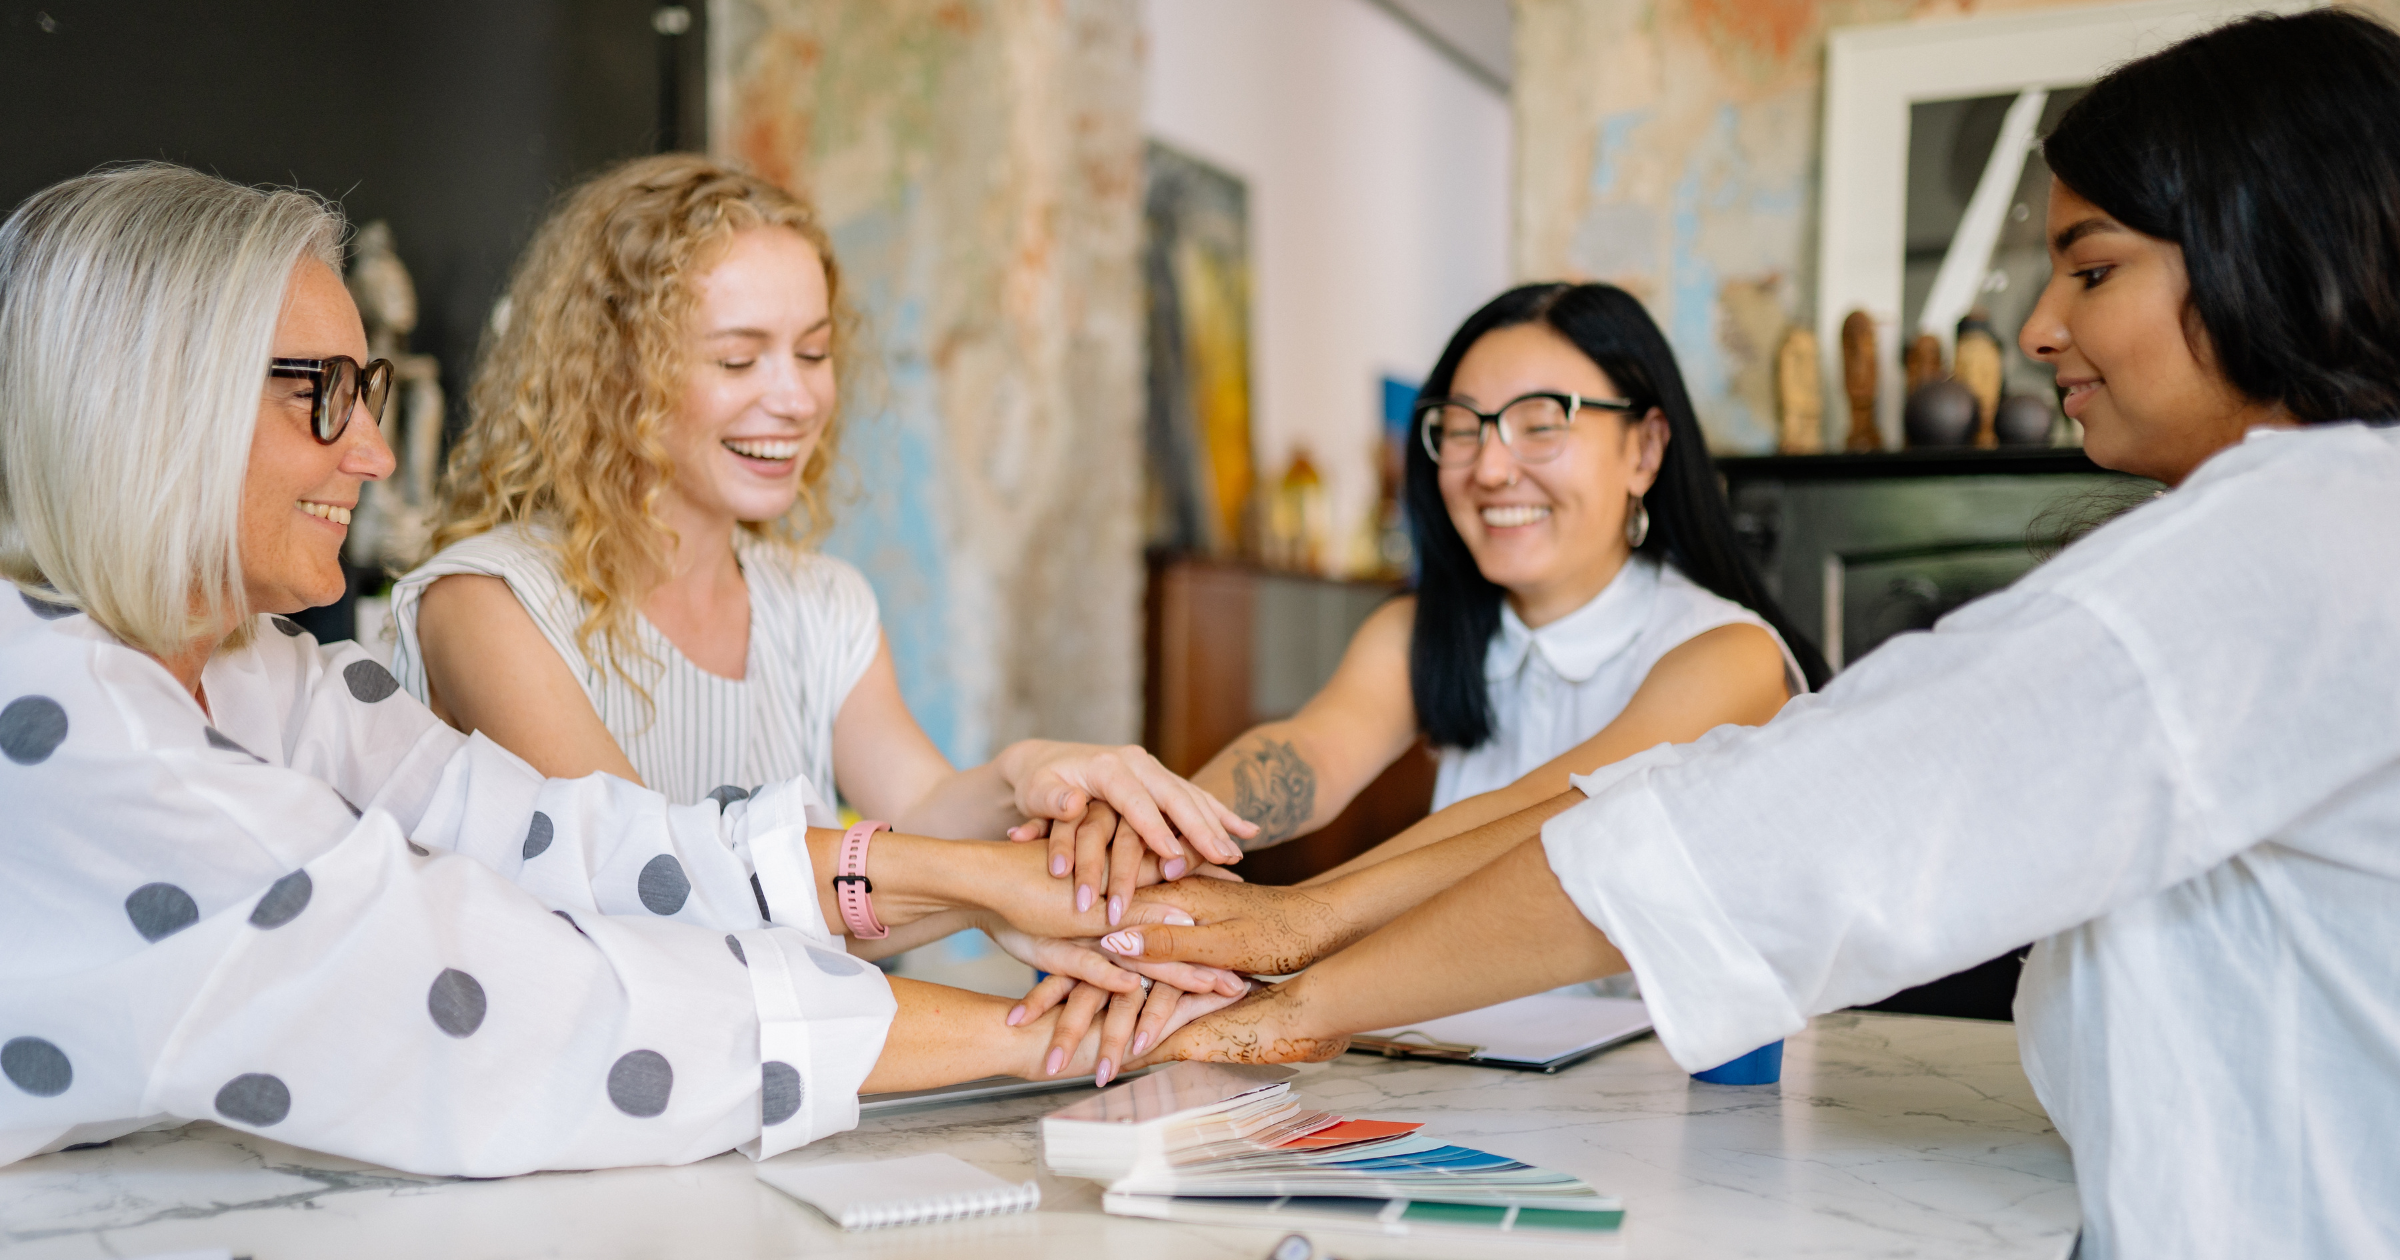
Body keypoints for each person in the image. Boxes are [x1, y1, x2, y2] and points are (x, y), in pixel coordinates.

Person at [1117, 12, 2400, 1257]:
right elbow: (1317, 765)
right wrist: (1150, 856)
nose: (2036, 330)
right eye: (1459, 428)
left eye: (2095, 267)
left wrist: (1295, 979)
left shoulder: (2293, 543)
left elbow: (1739, 825)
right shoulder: (2321, 526)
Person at [0, 165, 1234, 1174]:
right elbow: (516, 993)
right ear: (149, 403)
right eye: (321, 394)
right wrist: (1038, 1031)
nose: (374, 452)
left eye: (365, 390)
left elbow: (582, 841)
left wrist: (1003, 865)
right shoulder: (67, 717)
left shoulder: (273, 676)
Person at [384, 156, 1247, 1058]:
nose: (795, 399)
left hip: (774, 1119)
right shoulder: (485, 604)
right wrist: (990, 891)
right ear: (611, 373)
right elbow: (658, 891)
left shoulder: (824, 604)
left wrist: (1033, 778)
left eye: (813, 351)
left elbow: (917, 807)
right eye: (738, 357)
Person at [1189, 283, 1825, 873]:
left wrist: (1276, 927)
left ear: (1644, 451)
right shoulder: (1422, 628)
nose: (1490, 470)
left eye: (1542, 424)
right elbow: (1312, 754)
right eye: (1463, 429)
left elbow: (1530, 821)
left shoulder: (1728, 654)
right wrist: (1157, 825)